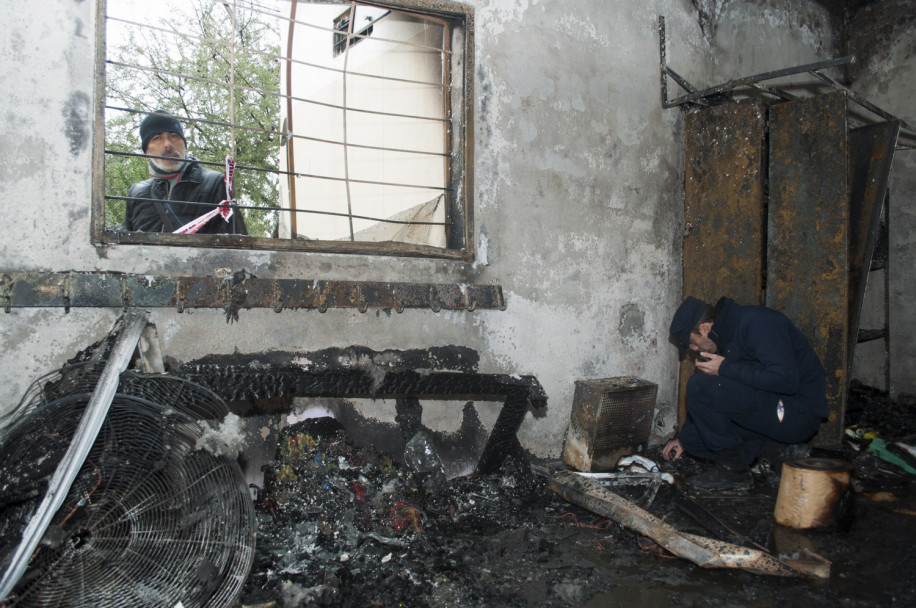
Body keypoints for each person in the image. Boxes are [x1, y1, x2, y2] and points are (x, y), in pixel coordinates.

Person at [662, 296, 828, 491]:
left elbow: (786, 381)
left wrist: (725, 368)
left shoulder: (758, 323)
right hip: (767, 411)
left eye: (693, 342)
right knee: (692, 440)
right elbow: (722, 397)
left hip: (796, 413)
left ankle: (733, 473)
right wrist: (682, 437)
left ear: (705, 328)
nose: (695, 349)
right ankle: (778, 450)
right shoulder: (723, 338)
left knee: (699, 385)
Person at [124, 110, 247, 235]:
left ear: (184, 143)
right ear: (147, 150)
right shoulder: (137, 193)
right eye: (157, 138)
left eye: (173, 136)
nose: (168, 144)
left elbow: (238, 243)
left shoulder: (214, 183)